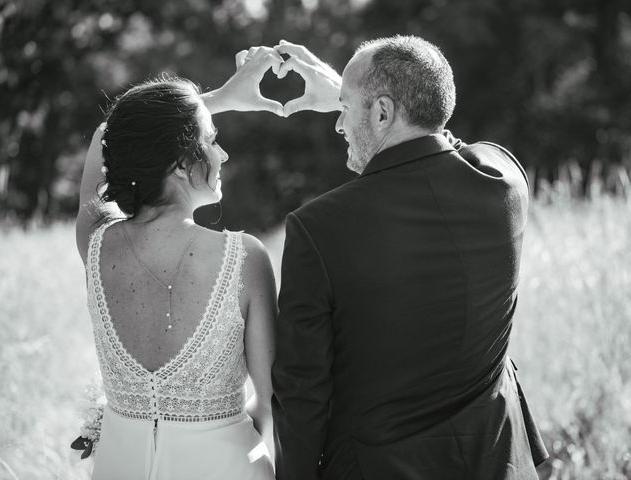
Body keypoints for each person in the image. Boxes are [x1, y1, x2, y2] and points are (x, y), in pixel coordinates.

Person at [270, 36, 549, 479]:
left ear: (382, 112)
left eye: (343, 110)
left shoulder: (317, 228)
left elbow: (301, 394)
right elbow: (443, 140)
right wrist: (355, 97)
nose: (339, 125)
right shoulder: (504, 182)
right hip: (497, 461)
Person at [75, 47, 285, 480]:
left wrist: (210, 103)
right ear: (177, 160)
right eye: (210, 139)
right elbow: (271, 402)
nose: (222, 154)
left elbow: (107, 135)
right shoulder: (245, 257)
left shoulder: (96, 242)